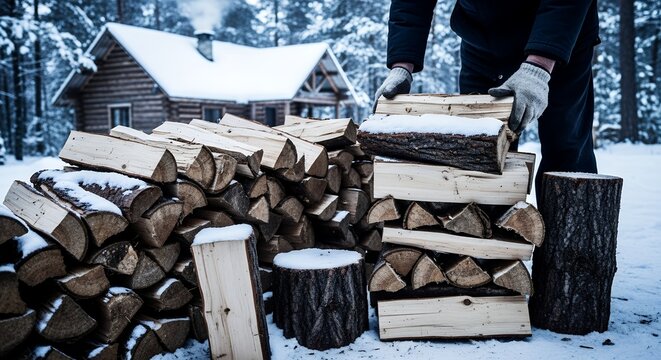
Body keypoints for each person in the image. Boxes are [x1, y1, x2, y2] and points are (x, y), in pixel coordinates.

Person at [374, 0, 600, 197]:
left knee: (566, 147)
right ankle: (487, 243)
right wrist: (402, 65)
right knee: (481, 149)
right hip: (483, 42)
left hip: (560, 38)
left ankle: (572, 245)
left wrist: (539, 67)